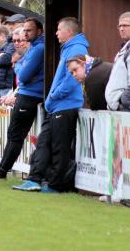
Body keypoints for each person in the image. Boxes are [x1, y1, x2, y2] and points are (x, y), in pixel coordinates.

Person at [14, 17, 89, 193]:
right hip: (57, 105)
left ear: (69, 32)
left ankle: (57, 185)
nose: (55, 33)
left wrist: (54, 96)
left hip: (65, 105)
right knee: (43, 142)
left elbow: (72, 79)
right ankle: (35, 179)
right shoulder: (69, 48)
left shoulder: (77, 48)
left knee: (59, 147)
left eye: (58, 29)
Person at [0, 18, 45, 180]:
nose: (26, 34)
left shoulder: (38, 49)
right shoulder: (36, 47)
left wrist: (17, 64)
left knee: (15, 135)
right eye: (25, 30)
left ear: (39, 31)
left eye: (28, 31)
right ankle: (2, 170)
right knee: (13, 134)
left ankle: (2, 171)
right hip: (27, 94)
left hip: (29, 96)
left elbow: (23, 75)